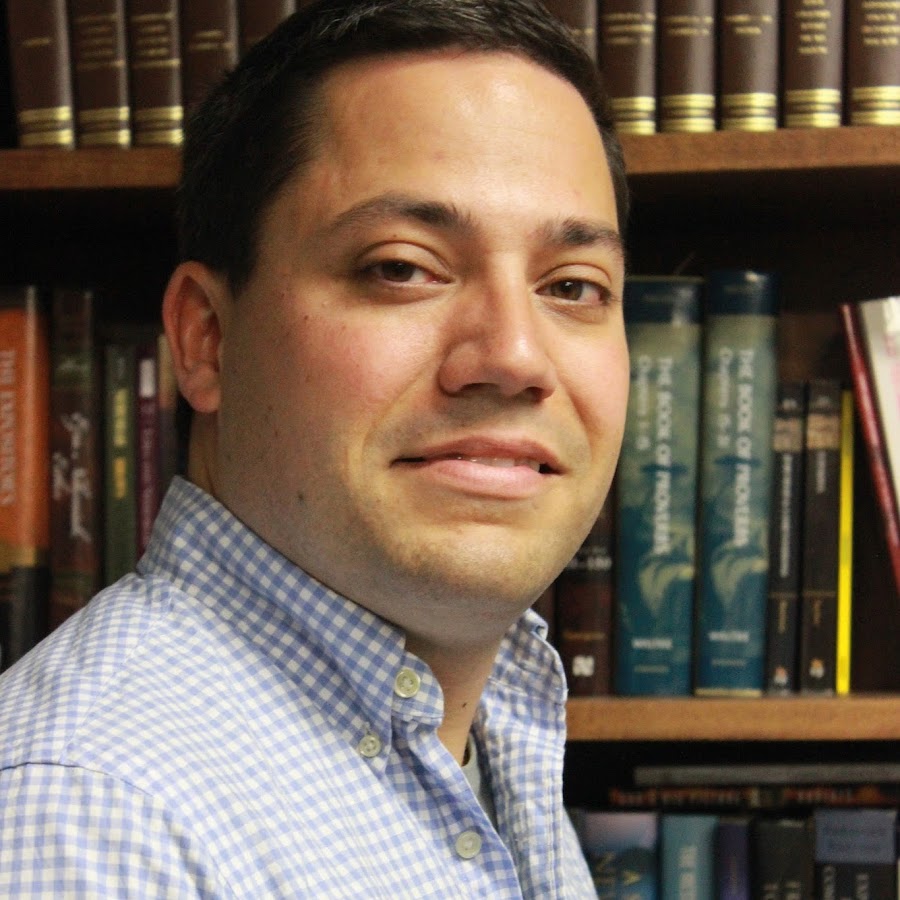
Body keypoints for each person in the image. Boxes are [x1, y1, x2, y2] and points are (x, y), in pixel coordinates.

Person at [0, 0, 630, 895]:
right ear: (207, 340)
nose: (515, 357)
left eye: (572, 286)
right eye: (401, 268)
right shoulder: (91, 818)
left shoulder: (482, 740)